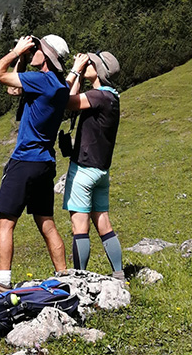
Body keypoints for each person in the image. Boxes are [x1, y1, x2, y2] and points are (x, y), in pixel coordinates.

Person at [0, 34, 70, 292]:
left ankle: (3, 285)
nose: (33, 51)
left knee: (5, 222)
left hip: (24, 160)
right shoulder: (58, 84)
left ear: (46, 56)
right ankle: (65, 275)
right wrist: (22, 59)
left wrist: (15, 51)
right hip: (45, 163)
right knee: (46, 221)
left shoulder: (40, 81)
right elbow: (14, 89)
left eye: (36, 48)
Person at [63, 50, 124, 280]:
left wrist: (75, 71)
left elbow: (67, 102)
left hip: (83, 170)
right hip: (101, 170)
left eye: (90, 62)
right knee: (104, 224)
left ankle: (79, 279)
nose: (85, 63)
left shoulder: (97, 96)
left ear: (98, 70)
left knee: (80, 228)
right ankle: (118, 274)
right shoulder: (112, 97)